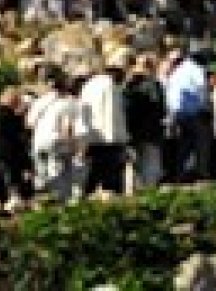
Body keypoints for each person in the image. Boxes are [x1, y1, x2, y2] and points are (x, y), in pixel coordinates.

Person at [27, 71, 81, 201]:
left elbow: (29, 123)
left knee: (42, 177)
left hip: (39, 142)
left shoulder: (40, 101)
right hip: (57, 142)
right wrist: (74, 147)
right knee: (60, 177)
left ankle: (42, 204)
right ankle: (60, 204)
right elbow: (67, 128)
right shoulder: (70, 102)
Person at [78, 62, 130, 194]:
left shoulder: (88, 85)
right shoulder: (110, 85)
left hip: (93, 139)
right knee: (113, 183)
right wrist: (122, 140)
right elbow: (113, 114)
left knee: (91, 179)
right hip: (110, 141)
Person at [165, 48, 213, 181]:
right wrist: (206, 107)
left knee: (185, 143)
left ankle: (179, 173)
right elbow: (202, 88)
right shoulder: (196, 69)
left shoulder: (179, 69)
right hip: (193, 111)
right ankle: (203, 172)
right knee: (203, 141)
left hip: (179, 112)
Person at [124, 55, 167, 189]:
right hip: (150, 133)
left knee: (135, 165)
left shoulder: (128, 85)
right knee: (151, 166)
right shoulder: (153, 85)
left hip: (132, 132)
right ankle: (149, 194)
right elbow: (160, 109)